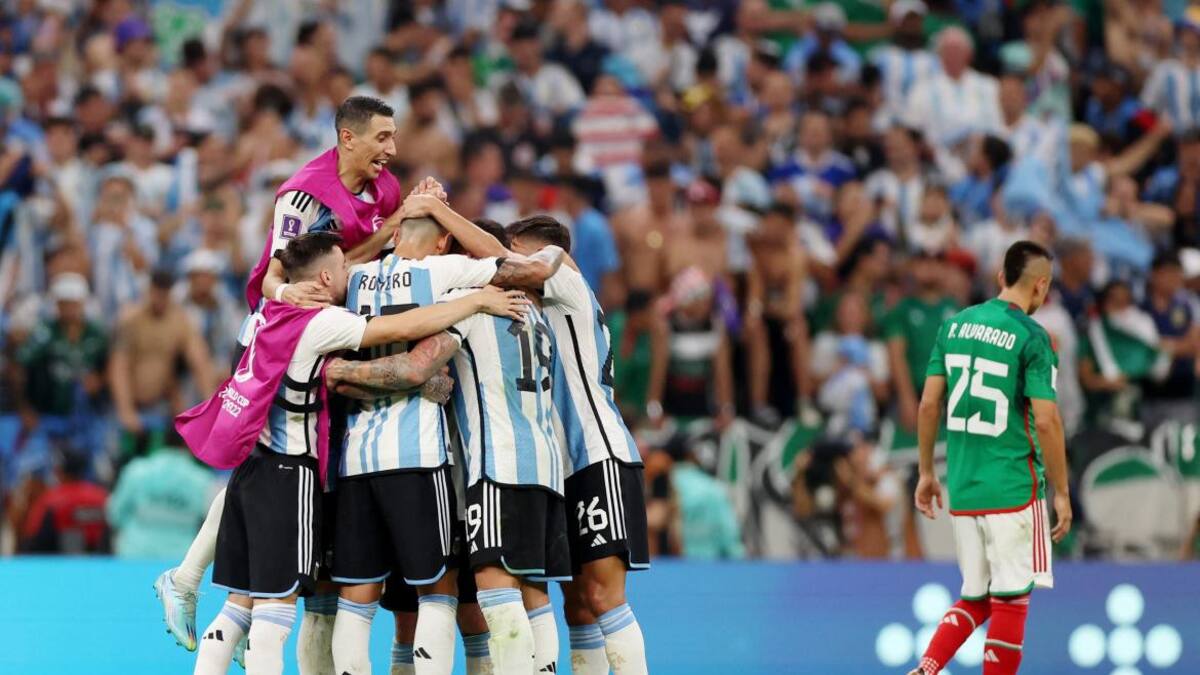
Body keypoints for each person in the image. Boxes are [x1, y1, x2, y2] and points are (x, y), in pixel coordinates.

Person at [190, 232, 528, 675]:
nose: (353, 274)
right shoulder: (322, 322)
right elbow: (404, 330)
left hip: (250, 470)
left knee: (239, 607)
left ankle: (186, 582)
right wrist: (478, 301)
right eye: (344, 269)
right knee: (275, 618)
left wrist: (281, 283)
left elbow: (273, 281)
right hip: (294, 474)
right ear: (327, 276)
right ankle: (183, 581)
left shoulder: (262, 315)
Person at [330, 205, 565, 675]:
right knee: (456, 593)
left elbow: (410, 364)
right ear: (443, 242)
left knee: (359, 600)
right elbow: (533, 267)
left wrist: (336, 373)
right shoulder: (491, 293)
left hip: (368, 457)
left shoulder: (353, 278)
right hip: (456, 459)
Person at [430, 209, 652, 675]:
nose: (507, 268)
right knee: (577, 605)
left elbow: (507, 262)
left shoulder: (564, 275)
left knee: (602, 596)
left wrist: (438, 212)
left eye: (514, 255)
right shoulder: (528, 310)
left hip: (597, 453)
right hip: (560, 465)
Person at [909, 241, 1072, 675]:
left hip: (963, 489)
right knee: (1012, 600)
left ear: (1001, 278)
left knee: (976, 597)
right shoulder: (1034, 337)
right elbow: (1046, 421)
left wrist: (927, 472)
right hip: (1015, 488)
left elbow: (928, 406)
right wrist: (1062, 491)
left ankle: (926, 669)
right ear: (1041, 286)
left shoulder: (955, 325)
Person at [107, 444, 219, 559]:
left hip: (133, 555)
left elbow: (115, 514)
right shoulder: (201, 479)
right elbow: (213, 524)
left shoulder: (136, 470)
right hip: (181, 560)